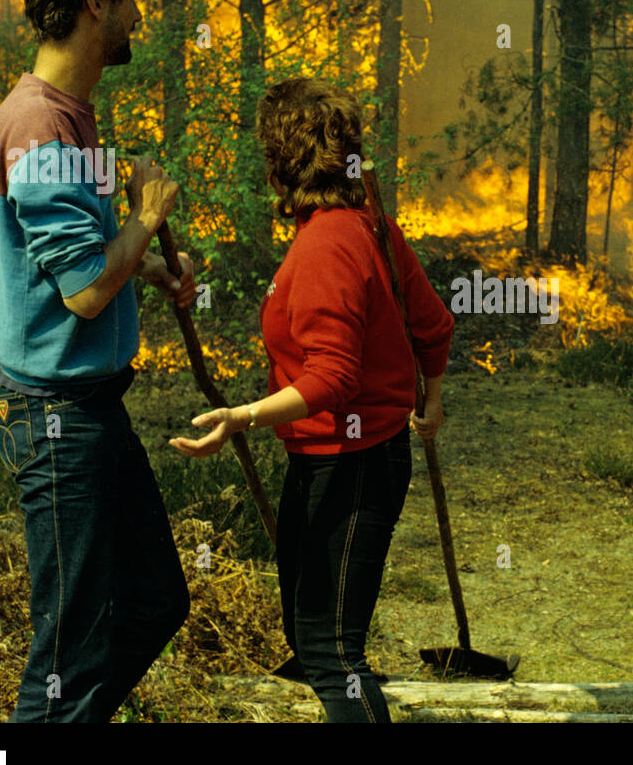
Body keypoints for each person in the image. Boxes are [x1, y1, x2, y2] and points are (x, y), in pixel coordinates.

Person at [170, 77, 454, 723]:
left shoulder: (329, 243)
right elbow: (434, 324)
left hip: (352, 466)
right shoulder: (366, 225)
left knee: (332, 655)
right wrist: (430, 401)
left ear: (282, 162)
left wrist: (240, 418)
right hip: (335, 458)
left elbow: (333, 379)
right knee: (308, 638)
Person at [0, 0, 197, 722]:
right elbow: (78, 291)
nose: (142, 13)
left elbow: (63, 261)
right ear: (98, 3)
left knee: (150, 604)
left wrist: (149, 264)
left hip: (88, 411)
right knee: (65, 665)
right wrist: (145, 216)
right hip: (56, 422)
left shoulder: (66, 114)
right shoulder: (41, 124)